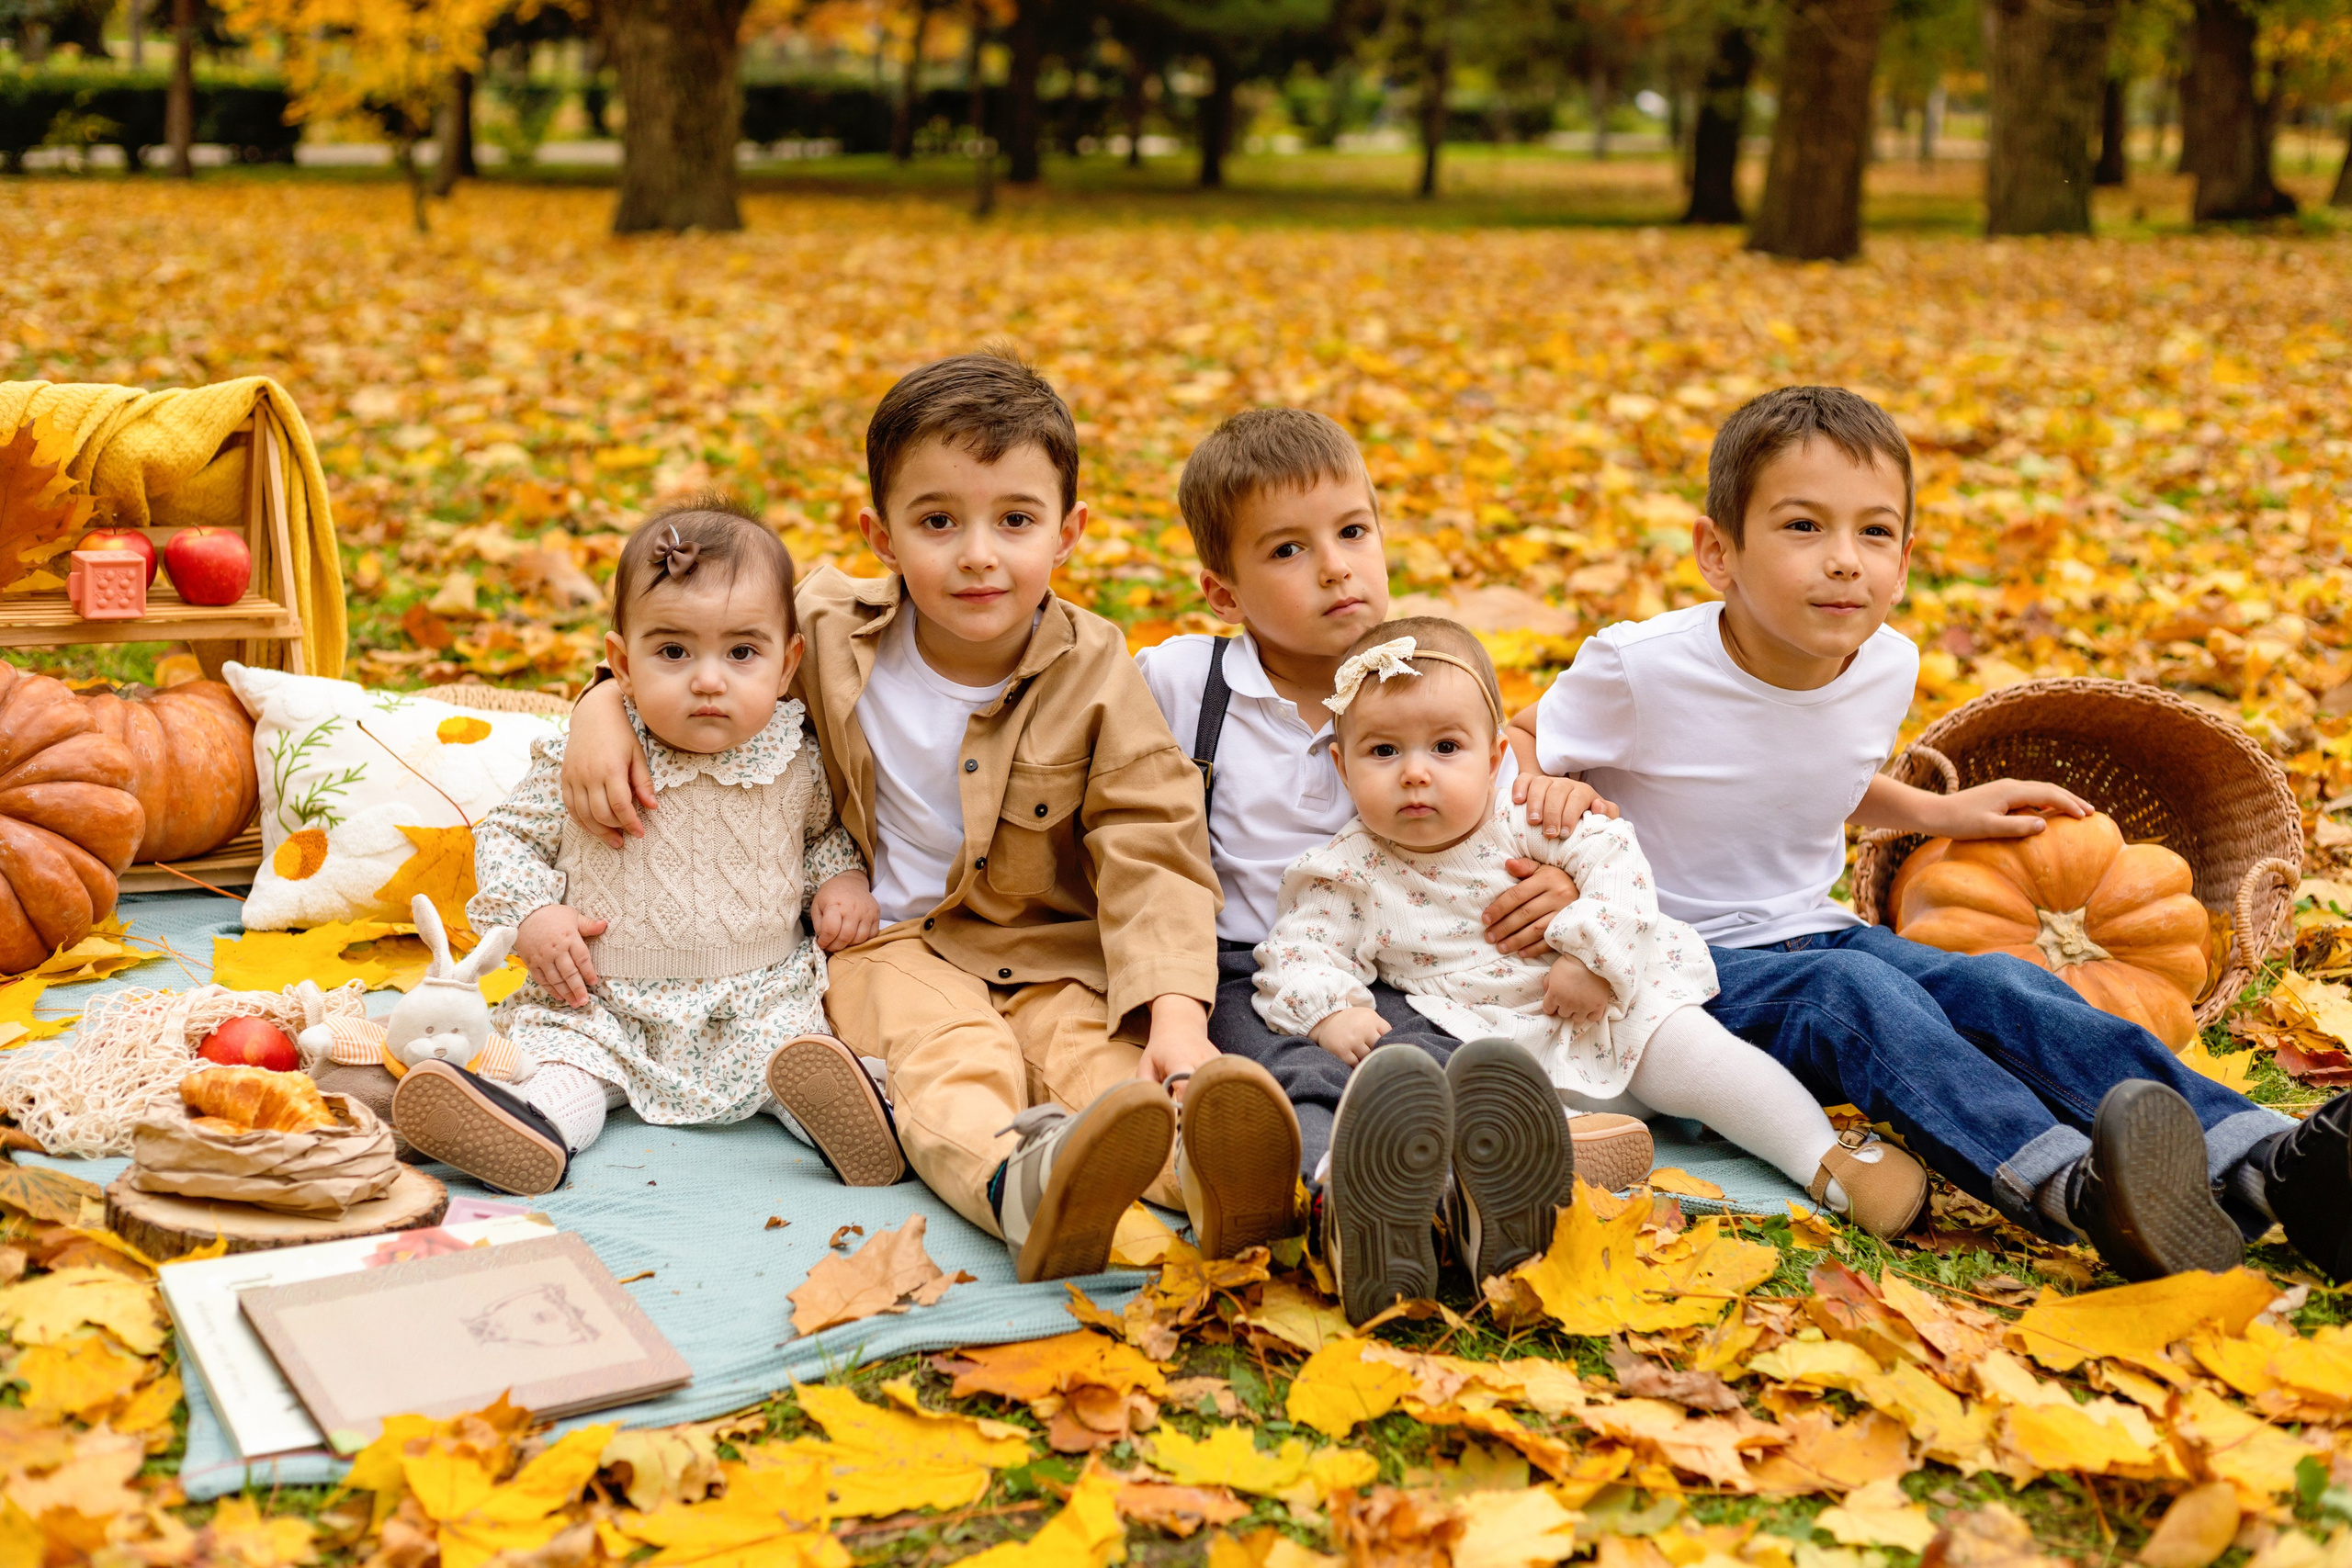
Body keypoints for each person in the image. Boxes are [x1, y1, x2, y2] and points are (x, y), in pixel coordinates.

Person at [1511, 385, 2352, 1284]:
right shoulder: (1639, 669)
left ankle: (2265, 1161)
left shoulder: (1883, 665)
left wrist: (1945, 814)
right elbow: (1514, 739)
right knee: (1850, 994)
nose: (1844, 563)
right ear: (1718, 552)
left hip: (1812, 927)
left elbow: (1802, 777)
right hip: (1672, 963)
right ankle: (2067, 1185)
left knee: (1993, 983)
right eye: (1802, 527)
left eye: (1873, 534)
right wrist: (1547, 805)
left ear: (1905, 561)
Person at [558, 352, 1302, 1282]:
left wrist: (1179, 1021)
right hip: (885, 942)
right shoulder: (824, 627)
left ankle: (1219, 1181)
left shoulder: (1096, 669)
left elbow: (1153, 848)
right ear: (880, 533)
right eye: (938, 521)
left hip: (1049, 948)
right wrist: (597, 705)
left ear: (1069, 533)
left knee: (1101, 1068)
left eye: (1016, 520)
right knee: (952, 1061)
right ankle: (1016, 1186)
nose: (978, 554)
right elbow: (696, 638)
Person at [1260, 617, 1927, 1322]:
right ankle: (1552, 1167)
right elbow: (1299, 947)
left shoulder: (1526, 814)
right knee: (1477, 1094)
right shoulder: (1348, 869)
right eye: (1384, 750)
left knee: (1699, 1056)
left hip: (1615, 1014)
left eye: (1446, 747)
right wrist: (1333, 1008)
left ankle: (1824, 1160)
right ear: (1341, 766)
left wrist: (1592, 956)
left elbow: (1618, 866)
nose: (1416, 771)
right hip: (1507, 1046)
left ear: (1493, 760)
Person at [1134, 410, 1658, 1212]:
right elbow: (1085, 737)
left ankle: (1495, 1163)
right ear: (1222, 592)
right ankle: (1335, 1195)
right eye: (1288, 549)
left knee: (1426, 1052)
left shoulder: (1423, 671)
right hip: (1244, 960)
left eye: (1353, 532)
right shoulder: (1183, 682)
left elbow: (1504, 799)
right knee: (1294, 1069)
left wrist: (1560, 871)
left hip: (1404, 951)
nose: (1336, 568)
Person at [394, 500, 885, 1196]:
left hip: (751, 1001)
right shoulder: (590, 754)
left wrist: (841, 882)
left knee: (801, 1060)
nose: (708, 679)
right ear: (622, 661)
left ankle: (857, 1123)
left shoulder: (792, 757)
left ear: (787, 664)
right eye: (674, 652)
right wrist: (534, 914)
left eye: (742, 652)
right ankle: (529, 1129)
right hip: (601, 1001)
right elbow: (508, 836)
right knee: (567, 1069)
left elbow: (818, 842)